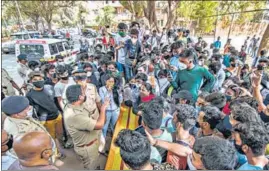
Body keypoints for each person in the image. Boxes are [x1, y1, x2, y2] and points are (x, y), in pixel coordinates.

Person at [64, 84, 109, 169]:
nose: (86, 94)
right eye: (84, 93)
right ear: (80, 97)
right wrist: (103, 109)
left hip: (91, 143)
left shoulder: (72, 104)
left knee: (96, 162)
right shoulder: (75, 116)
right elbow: (100, 125)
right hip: (88, 149)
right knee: (92, 166)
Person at [146, 132, 238, 170]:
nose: (189, 155)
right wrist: (155, 142)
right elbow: (185, 151)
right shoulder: (206, 159)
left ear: (203, 165)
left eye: (193, 157)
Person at [25, 71, 64, 159]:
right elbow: (31, 111)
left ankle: (62, 145)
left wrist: (60, 111)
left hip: (57, 115)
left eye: (40, 79)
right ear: (31, 81)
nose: (38, 81)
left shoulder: (49, 87)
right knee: (51, 138)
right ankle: (55, 153)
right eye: (35, 79)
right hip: (46, 120)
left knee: (60, 134)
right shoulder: (29, 95)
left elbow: (55, 100)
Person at [99, 74, 123, 141]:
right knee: (104, 127)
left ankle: (114, 140)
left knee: (114, 126)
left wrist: (120, 94)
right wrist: (108, 92)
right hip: (106, 111)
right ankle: (103, 143)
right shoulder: (102, 89)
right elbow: (104, 101)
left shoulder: (116, 89)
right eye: (109, 81)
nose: (111, 83)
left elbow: (120, 100)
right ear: (105, 81)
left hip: (115, 110)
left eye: (112, 81)